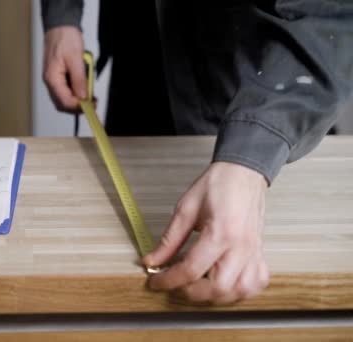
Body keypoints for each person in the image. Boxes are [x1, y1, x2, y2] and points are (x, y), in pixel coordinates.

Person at [41, 0, 353, 304]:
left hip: (262, 79)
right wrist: (62, 17)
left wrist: (250, 157)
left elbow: (329, 13)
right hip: (140, 47)